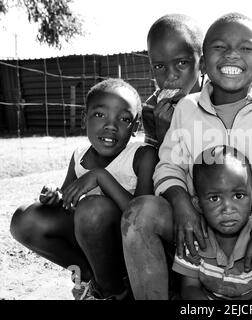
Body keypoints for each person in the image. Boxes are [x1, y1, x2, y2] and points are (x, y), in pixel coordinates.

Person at [121, 12, 252, 300]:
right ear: (203, 61)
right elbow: (168, 166)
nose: (232, 55)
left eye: (246, 48)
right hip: (200, 227)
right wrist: (182, 204)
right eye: (220, 47)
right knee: (140, 213)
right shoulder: (186, 109)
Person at [10, 78, 156, 300]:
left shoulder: (141, 156)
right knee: (25, 219)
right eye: (99, 115)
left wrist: (101, 177)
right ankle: (89, 277)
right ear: (83, 118)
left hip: (128, 254)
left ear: (135, 127)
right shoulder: (79, 156)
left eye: (124, 119)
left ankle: (115, 292)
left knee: (93, 209)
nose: (111, 125)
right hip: (89, 250)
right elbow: (66, 203)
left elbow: (142, 219)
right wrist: (53, 196)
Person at [142, 13, 252, 149]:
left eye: (182, 63)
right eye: (159, 66)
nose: (171, 75)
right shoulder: (152, 110)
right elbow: (153, 166)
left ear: (202, 65)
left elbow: (247, 80)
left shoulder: (219, 92)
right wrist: (164, 133)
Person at [173, 145, 252, 300]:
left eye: (238, 196)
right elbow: (189, 289)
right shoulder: (195, 240)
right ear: (198, 204)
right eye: (214, 198)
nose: (227, 209)